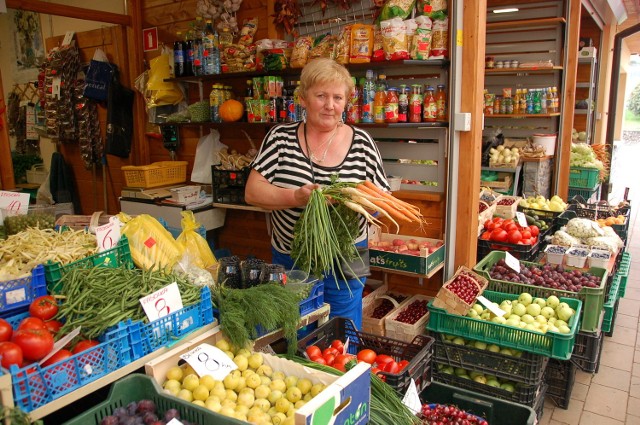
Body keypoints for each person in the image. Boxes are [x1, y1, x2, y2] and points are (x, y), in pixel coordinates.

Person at [245, 58, 390, 329]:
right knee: (297, 325)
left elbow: (381, 200)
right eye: (321, 95)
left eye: (338, 97)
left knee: (343, 327)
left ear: (346, 102)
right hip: (294, 253)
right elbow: (252, 193)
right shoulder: (280, 139)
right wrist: (296, 197)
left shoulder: (362, 142)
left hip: (348, 254)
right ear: (303, 98)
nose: (330, 105)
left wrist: (357, 201)